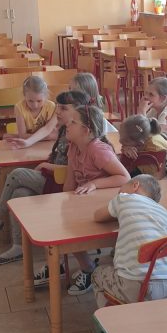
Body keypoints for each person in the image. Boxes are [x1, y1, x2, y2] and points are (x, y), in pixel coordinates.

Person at [0, 90, 87, 264]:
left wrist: (46, 165)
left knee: (17, 174)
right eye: (58, 107)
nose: (58, 111)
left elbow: (73, 170)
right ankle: (18, 247)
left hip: (61, 184)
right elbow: (51, 140)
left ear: (78, 111)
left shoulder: (78, 134)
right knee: (19, 194)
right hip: (53, 177)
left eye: (63, 108)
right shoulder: (65, 128)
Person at [83, 174, 167, 333]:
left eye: (121, 188)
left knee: (97, 274)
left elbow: (98, 216)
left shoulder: (126, 198)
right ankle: (151, 331)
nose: (119, 192)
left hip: (138, 286)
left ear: (135, 185)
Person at [62, 104, 131, 295]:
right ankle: (83, 266)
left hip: (106, 205)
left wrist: (94, 183)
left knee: (72, 227)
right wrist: (63, 203)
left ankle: (88, 269)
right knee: (65, 223)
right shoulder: (73, 147)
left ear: (86, 130)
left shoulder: (97, 149)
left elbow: (125, 177)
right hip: (86, 204)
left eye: (73, 122)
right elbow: (69, 184)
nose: (67, 124)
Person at [4, 75, 56, 148]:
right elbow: (23, 136)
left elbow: (50, 132)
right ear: (24, 96)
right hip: (28, 146)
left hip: (46, 145)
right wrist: (47, 137)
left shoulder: (50, 106)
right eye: (30, 101)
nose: (35, 105)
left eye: (39, 101)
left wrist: (19, 136)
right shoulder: (19, 107)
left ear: (45, 96)